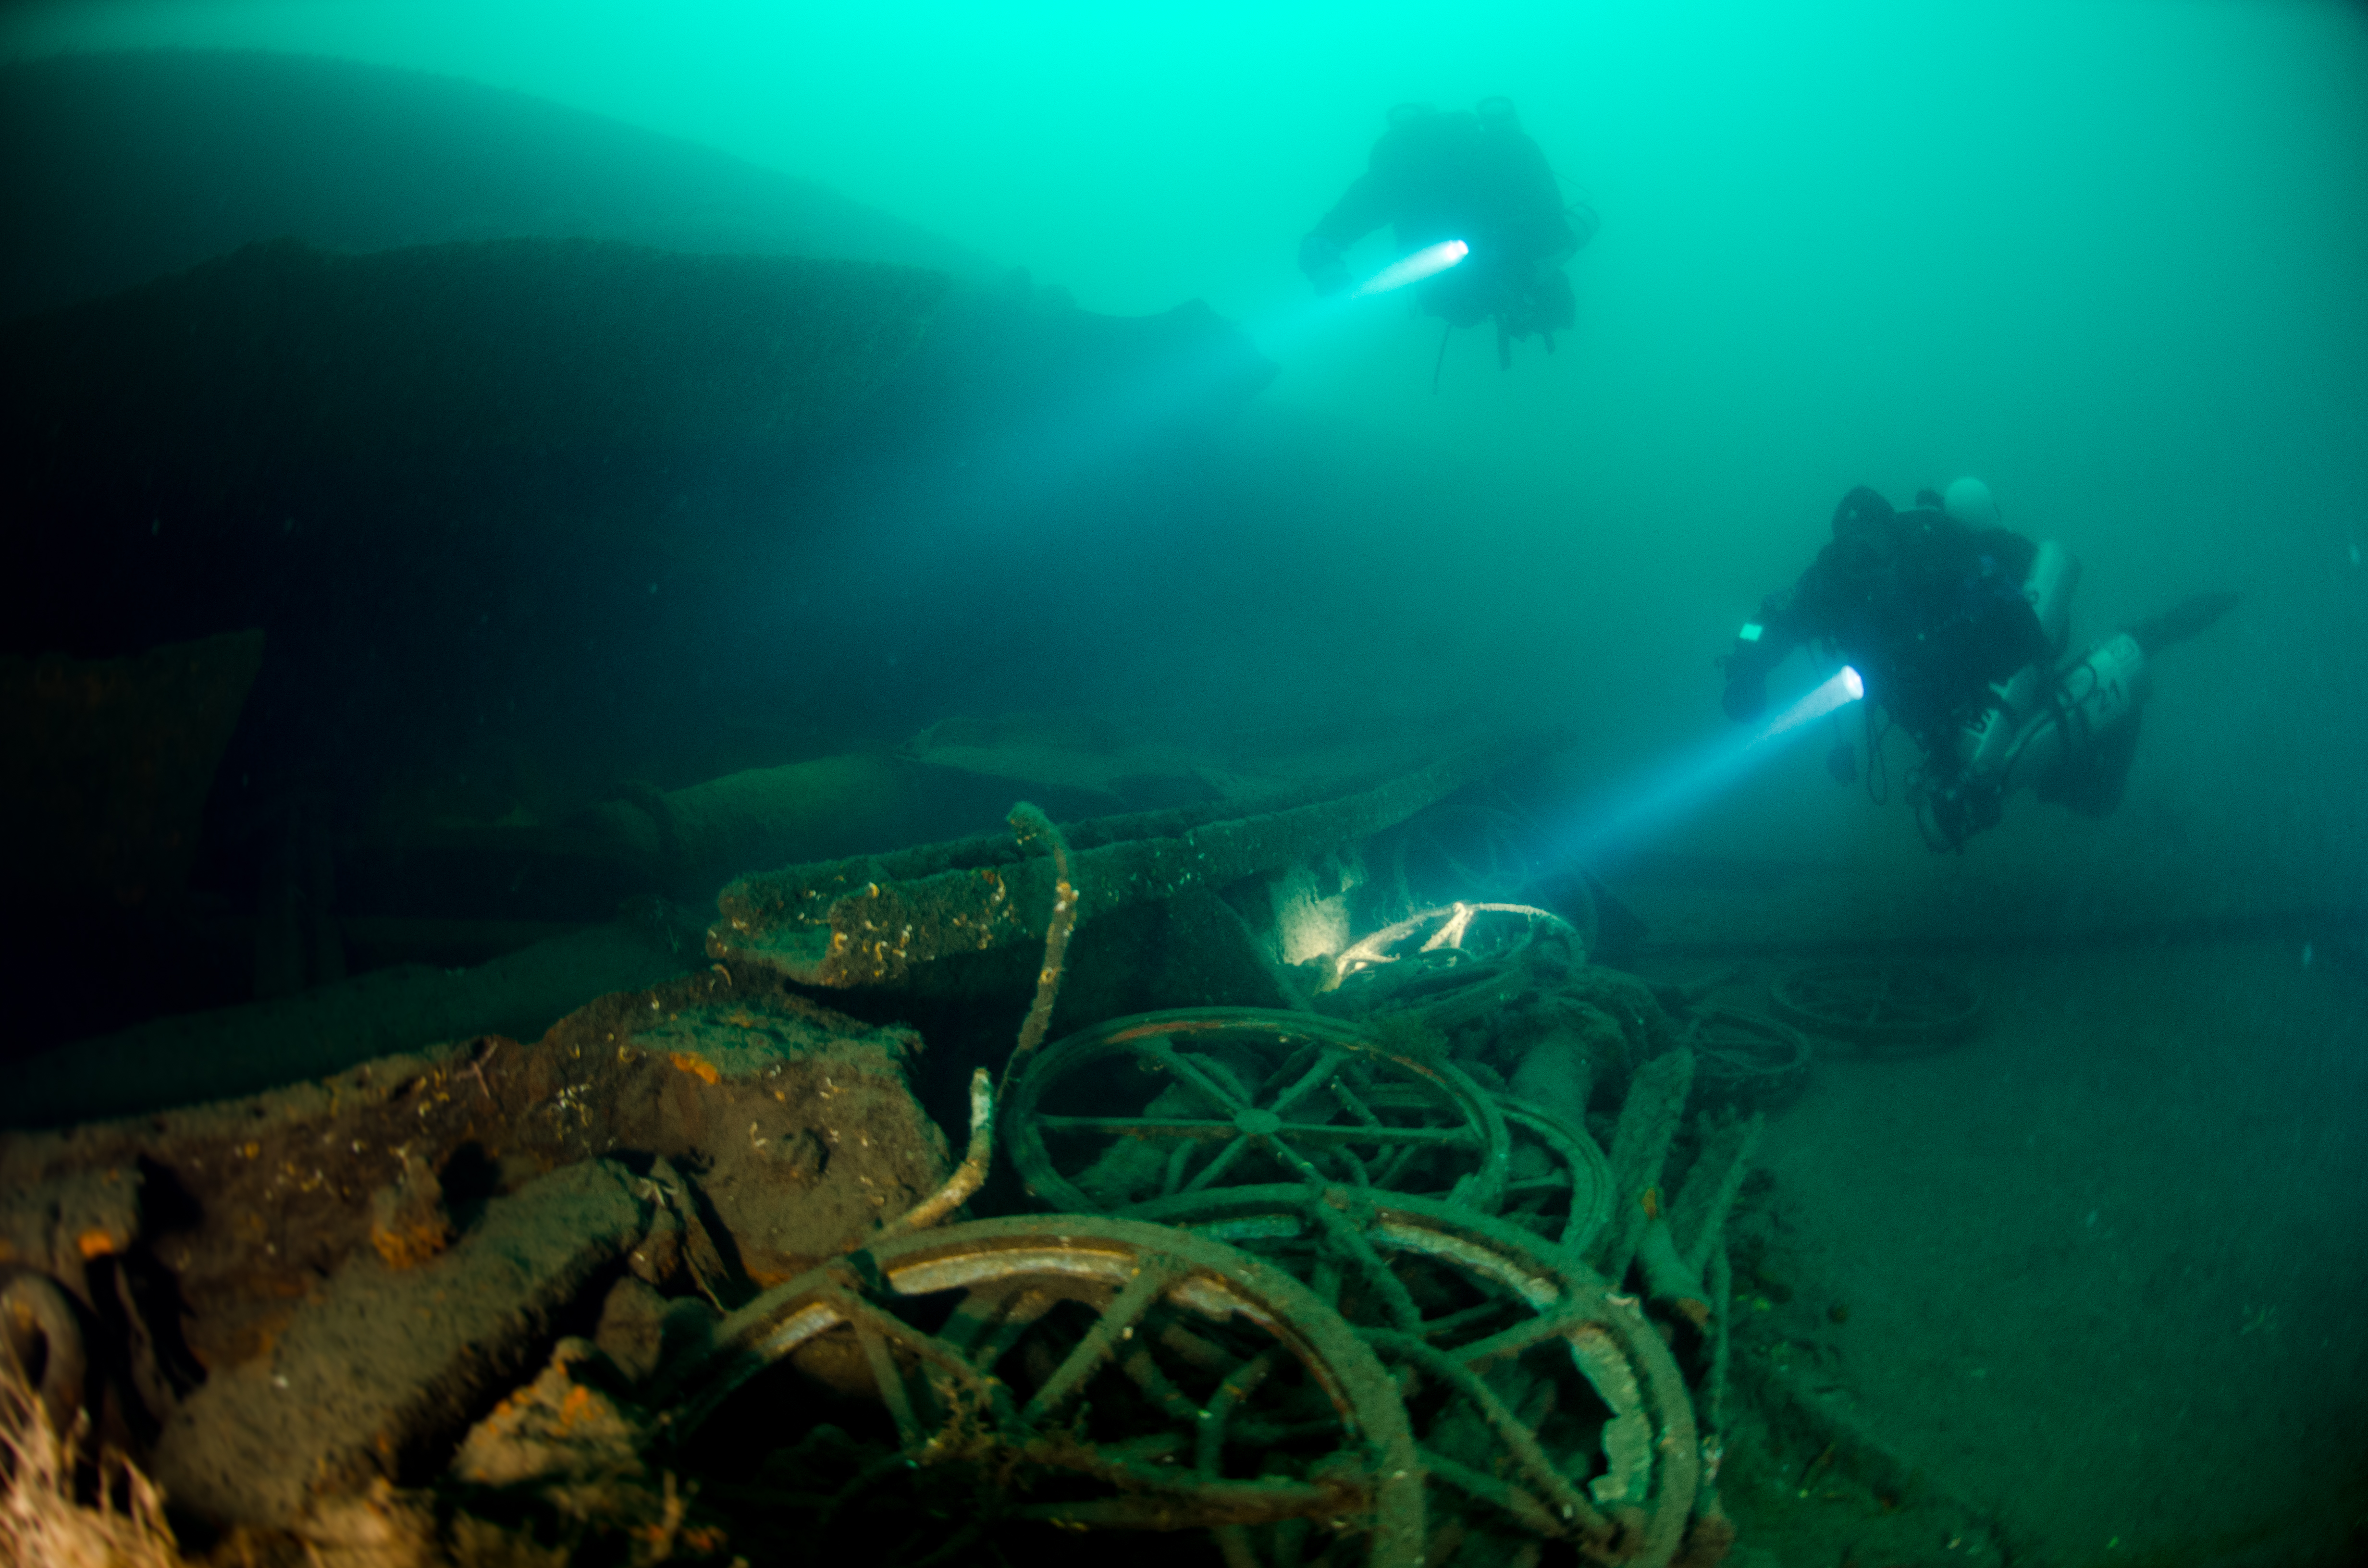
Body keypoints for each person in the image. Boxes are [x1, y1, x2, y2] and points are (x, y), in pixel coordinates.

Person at [1719, 478, 2238, 850]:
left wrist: (1982, 732)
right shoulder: (1828, 585)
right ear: (1837, 551)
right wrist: (1747, 667)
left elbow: (2020, 630)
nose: (1865, 566)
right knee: (1969, 806)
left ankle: (2152, 635)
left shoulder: (1937, 558)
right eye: (1852, 553)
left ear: (1893, 542)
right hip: (1934, 705)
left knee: (2087, 794)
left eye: (1874, 548)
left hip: (1994, 678)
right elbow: (1769, 618)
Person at [1299, 98, 1597, 367]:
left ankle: (1522, 299)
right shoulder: (1475, 155)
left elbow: (1347, 218)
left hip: (1498, 263)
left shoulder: (1404, 170)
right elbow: (1550, 222)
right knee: (1476, 307)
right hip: (1496, 265)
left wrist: (1322, 257)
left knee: (1470, 307)